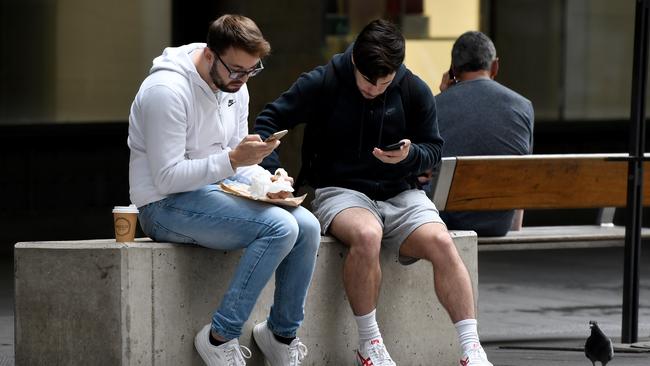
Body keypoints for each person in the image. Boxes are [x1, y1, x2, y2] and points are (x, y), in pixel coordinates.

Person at [255, 19, 492, 366]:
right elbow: (268, 122)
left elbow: (433, 148)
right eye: (368, 80)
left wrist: (410, 155)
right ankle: (370, 344)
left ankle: (472, 349)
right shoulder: (323, 81)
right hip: (341, 191)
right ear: (355, 63)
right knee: (368, 235)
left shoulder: (413, 89)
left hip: (401, 194)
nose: (374, 88)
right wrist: (272, 171)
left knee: (443, 242)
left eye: (384, 82)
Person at [127, 14, 319, 366]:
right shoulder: (165, 92)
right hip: (163, 207)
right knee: (280, 227)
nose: (242, 80)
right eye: (235, 70)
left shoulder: (236, 86)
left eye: (251, 71)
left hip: (217, 193)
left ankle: (280, 335)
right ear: (210, 55)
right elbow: (167, 178)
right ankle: (220, 337)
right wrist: (232, 160)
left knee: (308, 225)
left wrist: (267, 182)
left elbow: (238, 162)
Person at [435, 31, 534, 236]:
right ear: (495, 66)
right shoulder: (523, 106)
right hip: (499, 225)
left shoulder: (435, 106)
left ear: (453, 70)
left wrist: (444, 97)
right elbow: (523, 172)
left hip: (446, 224)